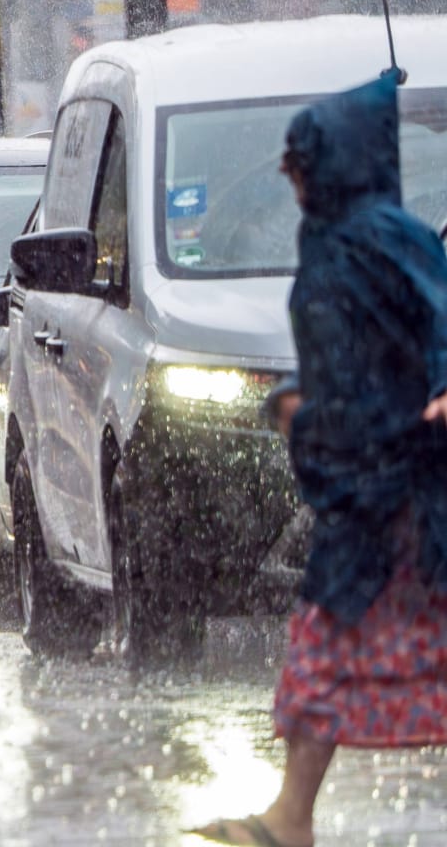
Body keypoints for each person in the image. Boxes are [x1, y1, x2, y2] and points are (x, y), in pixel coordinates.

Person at [191, 72, 447, 847]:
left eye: (299, 159)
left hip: (408, 489)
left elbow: (434, 323)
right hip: (369, 491)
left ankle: (289, 819)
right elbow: (354, 355)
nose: (284, 174)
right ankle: (289, 818)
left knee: (348, 642)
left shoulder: (382, 239)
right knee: (330, 647)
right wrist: (296, 400)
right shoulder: (337, 241)